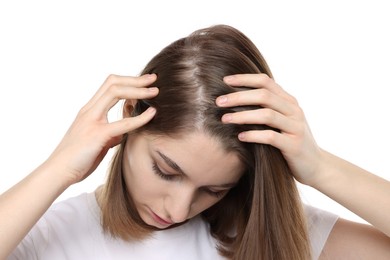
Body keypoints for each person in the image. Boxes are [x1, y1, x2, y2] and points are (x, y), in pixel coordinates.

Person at [1, 24, 390, 260]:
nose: (179, 208)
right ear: (130, 116)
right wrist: (59, 169)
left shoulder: (263, 233)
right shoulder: (53, 233)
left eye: (214, 190)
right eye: (165, 171)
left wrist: (322, 168)